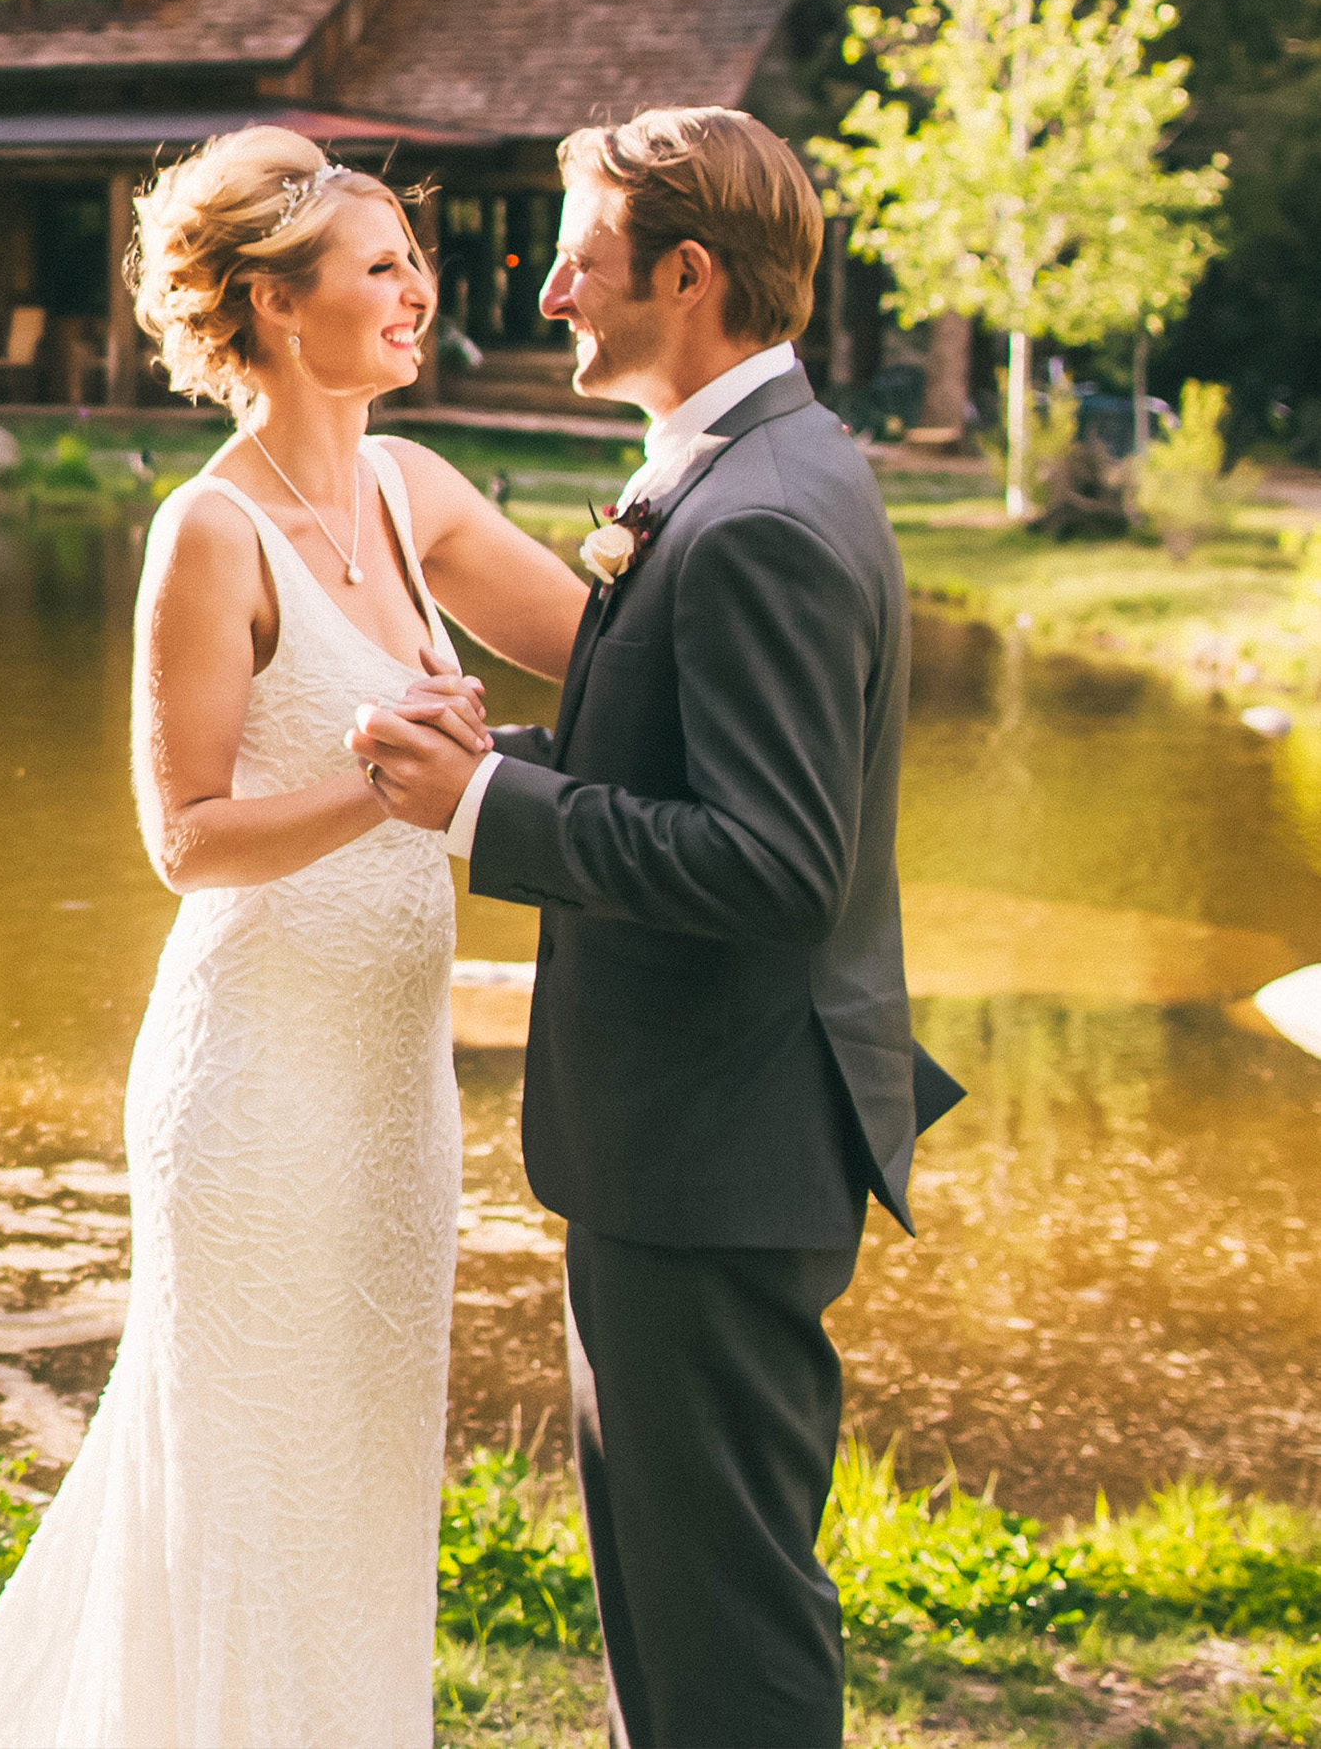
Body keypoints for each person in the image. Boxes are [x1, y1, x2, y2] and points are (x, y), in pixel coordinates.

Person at [0, 126, 588, 1749]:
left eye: (409, 261)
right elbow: (186, 842)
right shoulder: (210, 534)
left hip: (389, 1091)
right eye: (381, 267)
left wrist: (731, 527)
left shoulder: (413, 487)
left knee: (361, 1469)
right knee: (234, 1473)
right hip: (256, 1081)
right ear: (280, 311)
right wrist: (392, 780)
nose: (419, 287)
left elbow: (605, 647)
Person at [351, 106, 963, 1749]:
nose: (547, 293)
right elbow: (689, 774)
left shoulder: (758, 517)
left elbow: (774, 864)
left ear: (687, 277)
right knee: (682, 1614)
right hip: (706, 1137)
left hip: (716, 1146)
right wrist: (497, 762)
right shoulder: (758, 468)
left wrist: (488, 819)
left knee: (722, 1637)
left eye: (580, 259)